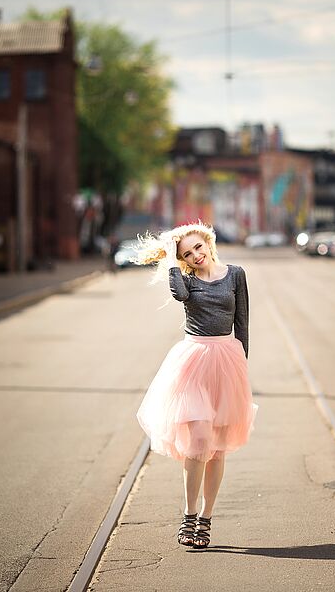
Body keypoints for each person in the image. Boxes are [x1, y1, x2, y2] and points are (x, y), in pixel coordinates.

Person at [132, 221, 258, 549]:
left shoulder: (235, 274)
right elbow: (178, 294)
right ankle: (188, 515)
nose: (196, 255)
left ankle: (206, 518)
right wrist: (174, 260)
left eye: (197, 247)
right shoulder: (185, 279)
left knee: (217, 448)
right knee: (199, 438)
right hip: (193, 361)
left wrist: (242, 366)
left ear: (208, 241)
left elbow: (242, 322)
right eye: (188, 253)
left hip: (226, 360)